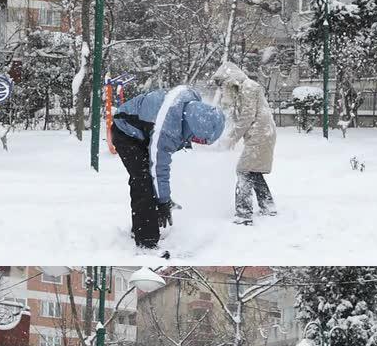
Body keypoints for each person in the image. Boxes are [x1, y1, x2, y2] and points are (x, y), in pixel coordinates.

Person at [111, 87, 226, 250]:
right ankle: (146, 242)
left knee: (152, 184)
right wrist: (163, 201)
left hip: (146, 130)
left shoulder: (192, 98)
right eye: (200, 139)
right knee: (143, 182)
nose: (197, 142)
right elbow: (158, 168)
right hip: (126, 132)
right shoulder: (167, 130)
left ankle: (144, 225)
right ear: (195, 127)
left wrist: (163, 198)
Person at [213, 62, 277, 225]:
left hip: (261, 134)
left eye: (222, 84)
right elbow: (237, 116)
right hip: (260, 133)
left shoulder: (248, 87)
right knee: (253, 171)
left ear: (230, 79)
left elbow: (247, 116)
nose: (221, 89)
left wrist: (233, 137)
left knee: (243, 170)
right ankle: (268, 206)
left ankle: (244, 214)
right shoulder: (241, 89)